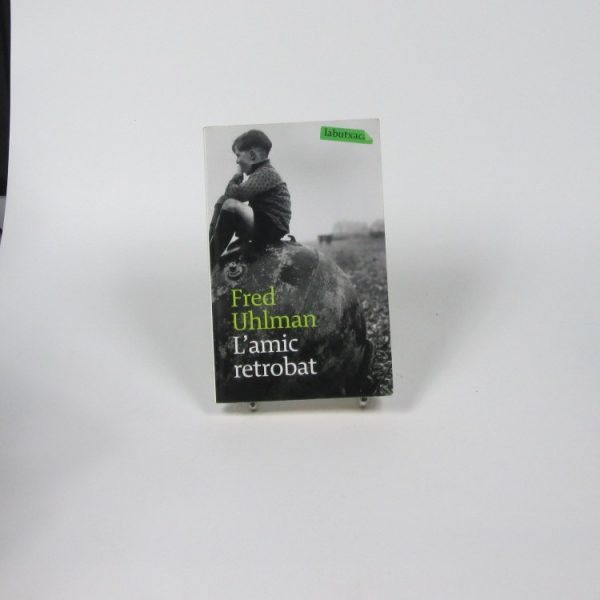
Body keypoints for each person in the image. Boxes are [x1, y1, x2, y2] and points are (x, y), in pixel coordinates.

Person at [209, 129, 291, 268]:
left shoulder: (267, 173)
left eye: (238, 155)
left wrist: (237, 176)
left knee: (230, 204)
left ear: (252, 155)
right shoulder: (260, 172)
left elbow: (234, 195)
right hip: (261, 220)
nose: (237, 161)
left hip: (272, 225)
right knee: (222, 200)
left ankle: (211, 259)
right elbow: (228, 195)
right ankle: (210, 245)